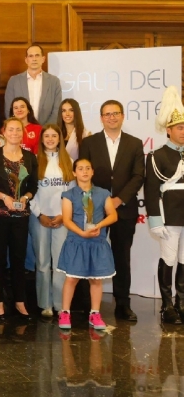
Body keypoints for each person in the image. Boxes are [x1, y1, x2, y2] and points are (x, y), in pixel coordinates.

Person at [79, 100, 144, 322]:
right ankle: (89, 304)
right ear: (101, 118)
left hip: (124, 210)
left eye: (115, 113)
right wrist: (102, 201)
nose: (111, 117)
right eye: (107, 114)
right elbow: (85, 175)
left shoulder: (134, 143)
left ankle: (122, 304)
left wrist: (119, 199)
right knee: (91, 254)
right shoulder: (89, 142)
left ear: (122, 116)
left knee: (121, 256)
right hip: (95, 210)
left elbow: (138, 176)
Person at [0, 117, 39, 321]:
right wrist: (3, 197)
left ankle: (20, 300)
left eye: (18, 130)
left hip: (20, 216)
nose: (14, 133)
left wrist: (25, 197)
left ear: (22, 133)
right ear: (3, 132)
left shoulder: (30, 157)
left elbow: (33, 186)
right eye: (11, 129)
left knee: (19, 258)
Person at [57, 158, 117, 331]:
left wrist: (99, 226)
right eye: (80, 168)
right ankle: (65, 312)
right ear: (74, 173)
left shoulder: (103, 193)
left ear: (92, 172)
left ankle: (95, 313)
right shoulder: (69, 195)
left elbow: (112, 215)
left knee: (96, 280)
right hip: (77, 242)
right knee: (71, 279)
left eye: (88, 168)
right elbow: (67, 220)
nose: (84, 171)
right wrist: (82, 232)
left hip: (97, 242)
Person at [145, 86, 184, 324]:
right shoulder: (157, 156)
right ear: (168, 130)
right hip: (169, 215)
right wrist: (155, 220)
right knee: (169, 259)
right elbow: (151, 191)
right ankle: (167, 306)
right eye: (180, 127)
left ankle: (182, 302)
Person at [30, 124, 75, 318]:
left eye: (54, 136)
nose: (50, 139)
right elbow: (29, 191)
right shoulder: (33, 161)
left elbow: (72, 193)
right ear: (41, 139)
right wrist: (39, 214)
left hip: (62, 219)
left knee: (59, 263)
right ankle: (44, 304)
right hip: (39, 218)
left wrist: (63, 216)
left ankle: (59, 304)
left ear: (60, 138)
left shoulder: (68, 161)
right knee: (41, 262)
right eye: (46, 136)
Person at [4, 44, 62, 125]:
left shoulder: (54, 81)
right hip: (21, 132)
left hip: (46, 133)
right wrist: (19, 128)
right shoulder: (14, 81)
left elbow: (56, 110)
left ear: (43, 59)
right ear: (26, 60)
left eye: (37, 55)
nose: (34, 59)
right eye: (31, 56)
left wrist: (44, 130)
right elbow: (8, 110)